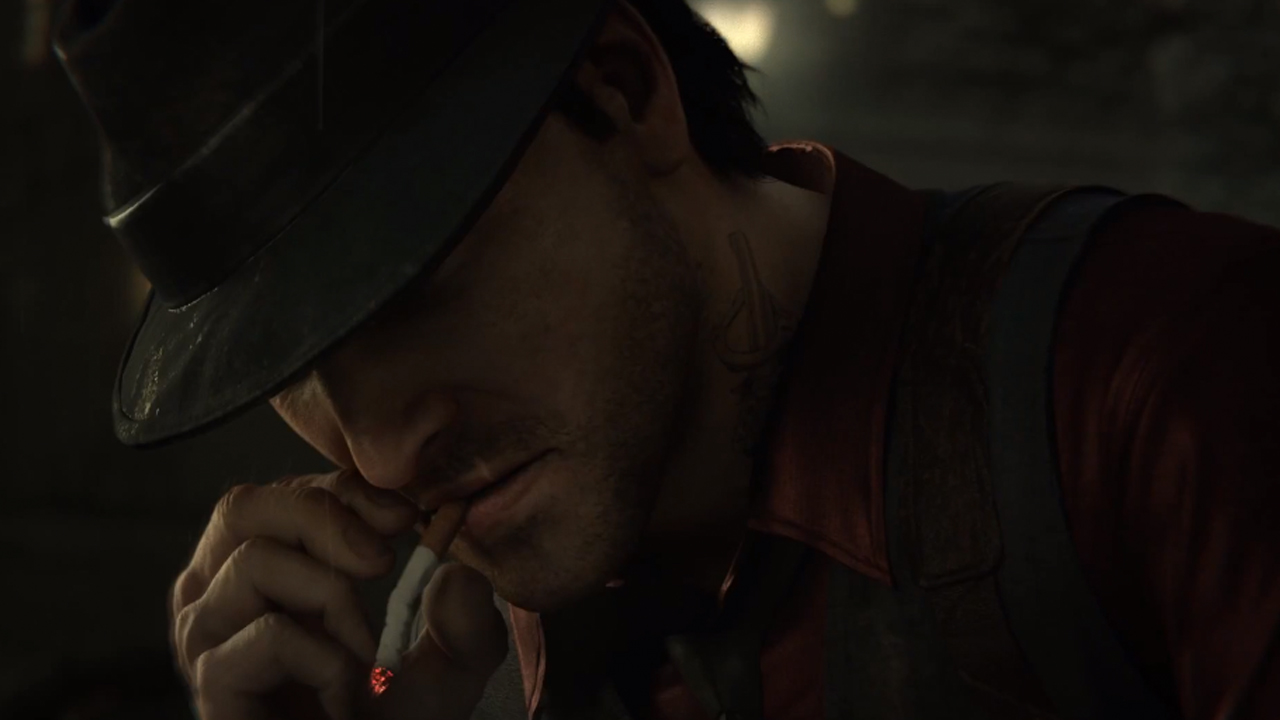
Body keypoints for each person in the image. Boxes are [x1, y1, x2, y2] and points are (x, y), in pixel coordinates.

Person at [52, 0, 1278, 718]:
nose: (377, 451)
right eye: (292, 369)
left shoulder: (1159, 373)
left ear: (624, 89)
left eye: (413, 287)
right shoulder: (470, 626)